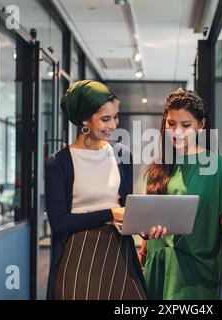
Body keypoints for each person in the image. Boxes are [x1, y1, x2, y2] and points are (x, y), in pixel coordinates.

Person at [45, 80, 165, 300]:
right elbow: (59, 222)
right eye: (105, 119)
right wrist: (110, 214)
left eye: (115, 117)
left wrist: (144, 227)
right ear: (85, 119)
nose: (113, 125)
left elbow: (127, 208)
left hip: (120, 251)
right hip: (79, 254)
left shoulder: (122, 154)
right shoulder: (58, 162)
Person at [139, 88, 222, 300]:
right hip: (158, 262)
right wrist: (142, 256)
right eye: (171, 124)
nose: (177, 131)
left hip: (194, 267)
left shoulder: (214, 164)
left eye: (186, 125)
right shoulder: (160, 164)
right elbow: (151, 213)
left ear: (201, 125)